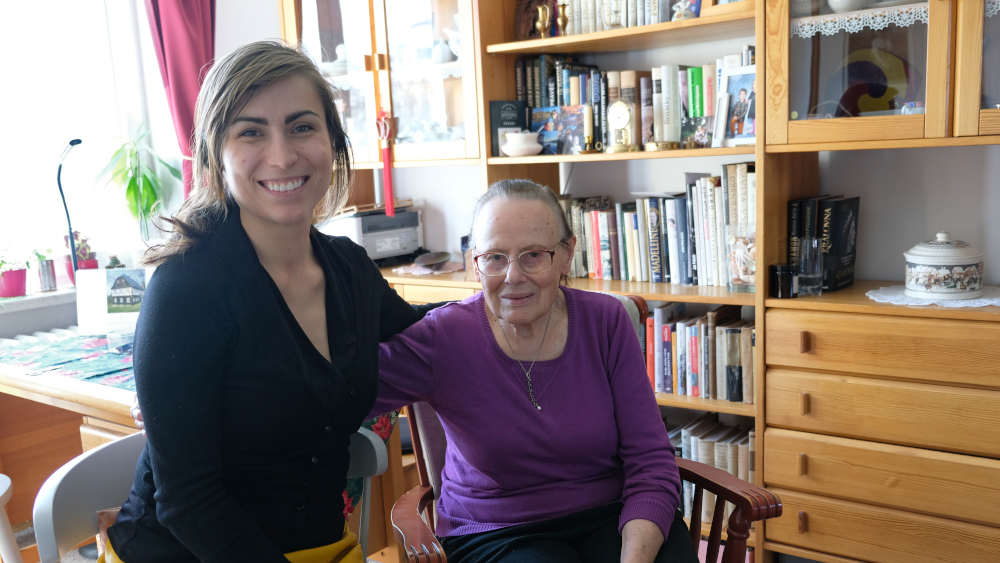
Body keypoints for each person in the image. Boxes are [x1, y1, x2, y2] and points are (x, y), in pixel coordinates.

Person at [105, 41, 427, 563]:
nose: (281, 156)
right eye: (251, 131)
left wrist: (512, 293)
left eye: (302, 126)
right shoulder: (187, 287)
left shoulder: (348, 268)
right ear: (216, 153)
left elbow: (424, 333)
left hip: (319, 547)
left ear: (333, 141)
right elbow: (189, 502)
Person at [372, 179, 698, 563]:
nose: (512, 276)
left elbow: (649, 457)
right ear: (475, 261)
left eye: (533, 256)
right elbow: (340, 393)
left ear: (566, 254)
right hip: (498, 532)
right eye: (494, 257)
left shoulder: (605, 322)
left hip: (612, 515)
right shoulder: (443, 335)